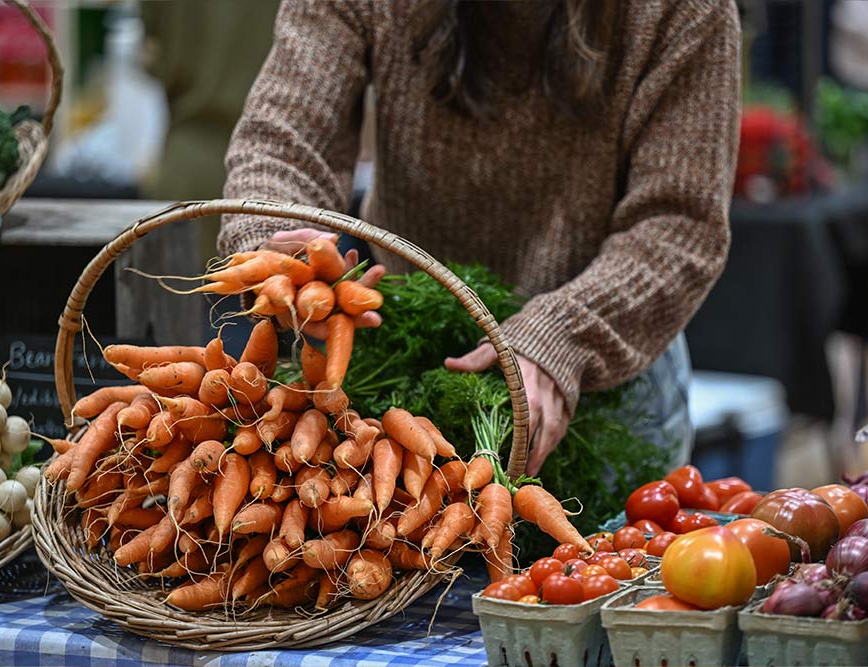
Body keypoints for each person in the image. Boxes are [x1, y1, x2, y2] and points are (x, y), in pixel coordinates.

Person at [219, 0, 741, 476]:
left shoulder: (682, 11)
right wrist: (270, 244)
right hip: (407, 359)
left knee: (613, 573)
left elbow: (679, 224)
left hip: (602, 368)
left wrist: (562, 334)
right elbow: (283, 143)